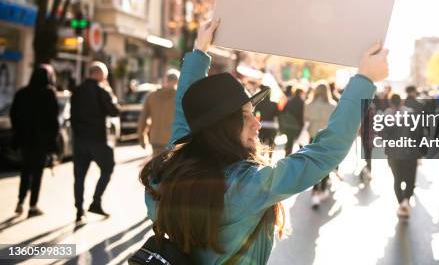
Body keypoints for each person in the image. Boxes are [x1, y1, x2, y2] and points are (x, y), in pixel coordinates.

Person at [139, 20, 388, 264]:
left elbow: (186, 117)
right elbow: (324, 153)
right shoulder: (246, 186)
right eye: (246, 116)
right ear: (222, 129)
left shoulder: (168, 172)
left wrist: (200, 51)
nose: (256, 122)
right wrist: (364, 80)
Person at [71, 61, 120, 222]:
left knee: (79, 176)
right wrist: (110, 92)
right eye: (105, 75)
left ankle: (79, 210)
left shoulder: (77, 90)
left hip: (79, 140)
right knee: (108, 168)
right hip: (98, 139)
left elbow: (72, 115)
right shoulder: (101, 90)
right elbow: (114, 111)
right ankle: (96, 201)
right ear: (99, 74)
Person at [10, 65, 59, 217]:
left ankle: (20, 201)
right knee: (37, 173)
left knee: (25, 170)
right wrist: (53, 141)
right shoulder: (49, 94)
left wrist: (20, 131)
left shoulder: (22, 93)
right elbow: (53, 120)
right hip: (41, 142)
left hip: (25, 140)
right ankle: (32, 206)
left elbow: (13, 115)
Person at [383, 93, 424, 218]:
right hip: (409, 152)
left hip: (393, 153)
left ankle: (402, 202)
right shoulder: (411, 113)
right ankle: (406, 200)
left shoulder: (386, 115)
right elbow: (418, 133)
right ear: (402, 102)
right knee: (410, 178)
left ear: (390, 102)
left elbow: (383, 135)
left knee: (397, 179)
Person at [304, 82, 337, 208]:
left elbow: (305, 120)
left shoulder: (308, 104)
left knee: (313, 163)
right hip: (326, 138)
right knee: (324, 164)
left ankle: (314, 189)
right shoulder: (332, 105)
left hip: (313, 137)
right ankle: (323, 187)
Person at [138, 69, 180, 155]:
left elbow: (143, 119)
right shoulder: (180, 96)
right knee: (171, 167)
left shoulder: (151, 96)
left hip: (156, 139)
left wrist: (142, 137)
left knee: (157, 166)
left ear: (166, 80)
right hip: (174, 139)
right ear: (177, 81)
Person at [254, 85, 279, 157]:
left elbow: (255, 114)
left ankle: (261, 158)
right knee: (271, 144)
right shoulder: (274, 104)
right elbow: (277, 115)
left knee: (261, 144)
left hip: (262, 125)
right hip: (272, 126)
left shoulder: (259, 104)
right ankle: (270, 158)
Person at [279, 87, 305, 156]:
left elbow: (282, 112)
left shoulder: (289, 101)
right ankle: (300, 158)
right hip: (298, 125)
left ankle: (286, 156)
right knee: (300, 143)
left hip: (288, 125)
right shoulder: (302, 102)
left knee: (289, 143)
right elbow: (302, 115)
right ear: (301, 93)